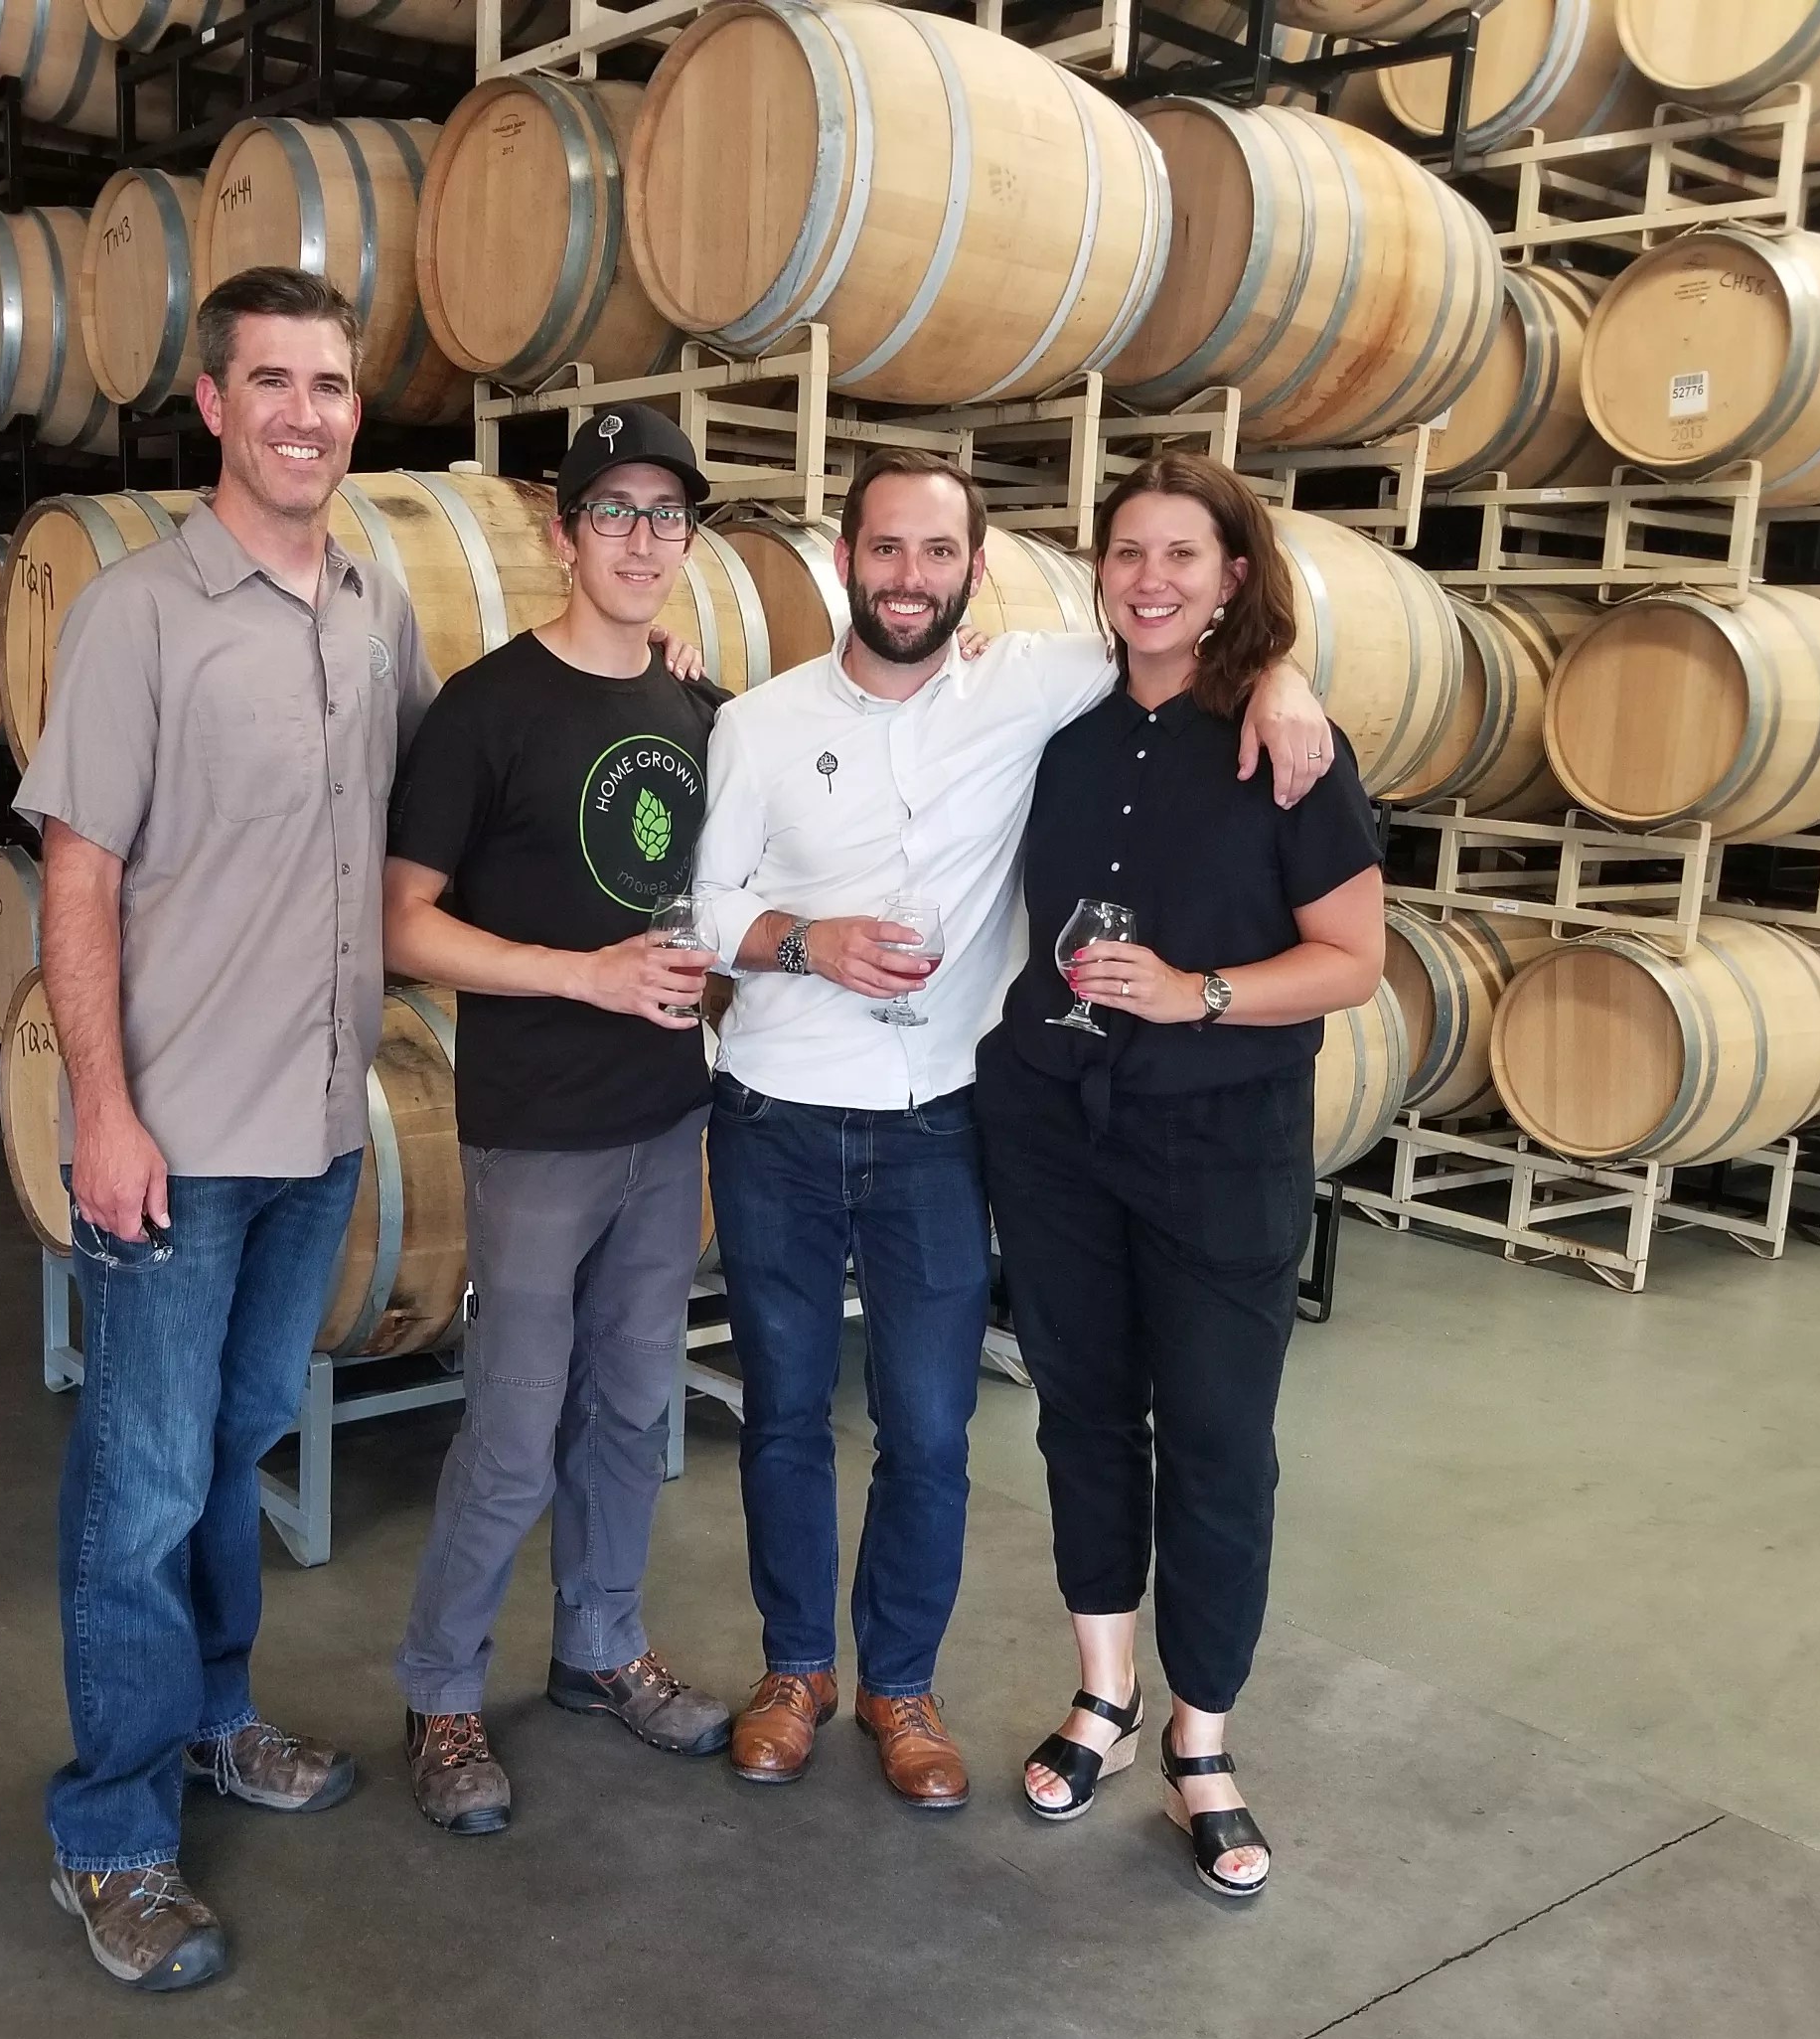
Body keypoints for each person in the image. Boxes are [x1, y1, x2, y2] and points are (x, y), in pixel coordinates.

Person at [687, 448, 1337, 1810]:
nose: (908, 576)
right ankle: (795, 1671)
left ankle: (902, 1686)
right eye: (885, 547)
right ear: (844, 560)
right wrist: (808, 941)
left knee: (931, 1429)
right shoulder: (757, 721)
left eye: (938, 552)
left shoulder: (1038, 684)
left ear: (976, 571)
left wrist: (1284, 676)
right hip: (776, 1114)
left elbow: (1189, 636)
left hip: (939, 1120)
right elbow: (706, 908)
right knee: (786, 1414)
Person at [14, 267, 433, 1992]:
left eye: (329, 385)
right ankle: (110, 1834)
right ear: (211, 404)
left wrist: (656, 674)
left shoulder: (376, 600)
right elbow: (77, 875)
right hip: (175, 1140)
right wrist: (102, 1113)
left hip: (319, 1129)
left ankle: (210, 1719)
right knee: (141, 1486)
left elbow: (439, 805)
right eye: (272, 382)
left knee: (235, 1444)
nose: (304, 415)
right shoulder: (139, 614)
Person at [976, 452, 1384, 1899]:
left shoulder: (1288, 745)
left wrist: (1198, 993)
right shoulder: (1063, 732)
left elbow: (1353, 958)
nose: (1149, 580)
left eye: (1181, 556)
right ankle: (1105, 1691)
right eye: (1127, 552)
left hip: (1221, 1140)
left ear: (1231, 579)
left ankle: (1201, 1741)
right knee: (1082, 1415)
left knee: (1216, 1441)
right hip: (1056, 1127)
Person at [379, 408, 739, 1835]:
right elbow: (404, 923)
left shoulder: (699, 711)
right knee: (516, 1430)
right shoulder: (487, 709)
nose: (642, 540)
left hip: (665, 1118)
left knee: (632, 1409)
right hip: (534, 1131)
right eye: (614, 512)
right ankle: (440, 1691)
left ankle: (600, 1646)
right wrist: (581, 976)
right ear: (562, 531)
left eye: (667, 515)